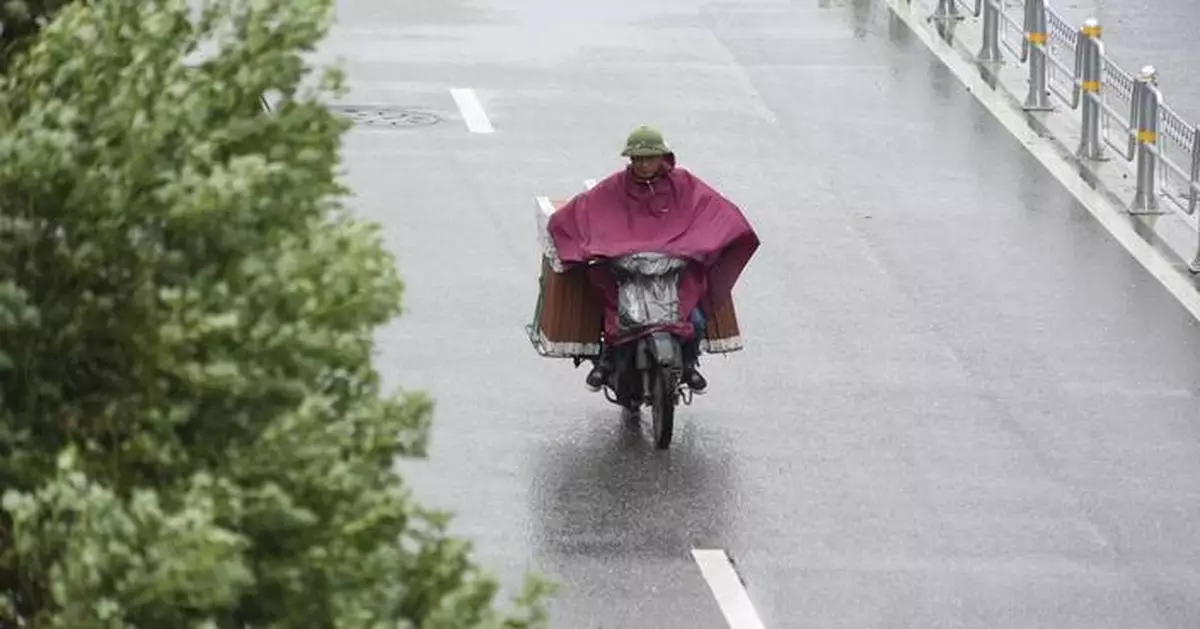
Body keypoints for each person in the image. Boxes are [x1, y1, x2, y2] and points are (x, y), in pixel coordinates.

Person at [547, 125, 760, 395]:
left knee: (694, 320)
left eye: (649, 158)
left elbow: (714, 209)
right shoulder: (615, 187)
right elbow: (583, 210)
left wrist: (706, 241)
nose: (643, 164)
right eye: (637, 158)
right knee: (611, 312)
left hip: (674, 276)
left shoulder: (684, 184)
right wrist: (582, 242)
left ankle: (689, 364)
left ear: (662, 157)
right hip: (629, 275)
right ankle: (608, 361)